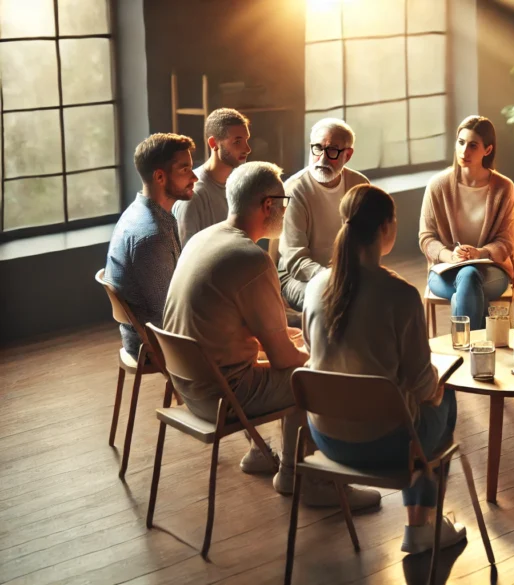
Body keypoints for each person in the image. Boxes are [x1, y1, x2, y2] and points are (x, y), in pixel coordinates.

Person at [162, 161, 380, 510]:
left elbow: (237, 328)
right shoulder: (250, 258)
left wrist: (292, 341)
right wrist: (321, 356)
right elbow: (283, 359)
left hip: (190, 384)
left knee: (295, 353)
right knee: (314, 376)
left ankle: (270, 459)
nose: (285, 207)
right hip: (224, 396)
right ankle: (316, 482)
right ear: (267, 205)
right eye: (284, 200)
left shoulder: (204, 238)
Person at [303, 184, 467, 554]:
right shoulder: (400, 295)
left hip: (326, 437)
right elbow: (421, 383)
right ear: (386, 228)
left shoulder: (315, 287)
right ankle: (419, 527)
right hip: (386, 447)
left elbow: (313, 354)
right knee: (445, 398)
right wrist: (437, 388)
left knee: (414, 404)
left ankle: (421, 523)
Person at [419, 116, 514, 330]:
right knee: (468, 278)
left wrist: (479, 253)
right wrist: (450, 257)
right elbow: (426, 238)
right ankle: (482, 349)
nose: (465, 151)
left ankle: (464, 349)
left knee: (469, 277)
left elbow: (506, 242)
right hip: (444, 271)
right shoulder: (437, 186)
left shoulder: (504, 188)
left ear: (488, 150)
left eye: (473, 145)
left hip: (492, 271)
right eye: (461, 142)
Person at [105, 133, 197, 361]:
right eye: (185, 170)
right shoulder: (151, 236)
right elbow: (168, 315)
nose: (194, 177)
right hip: (154, 345)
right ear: (159, 177)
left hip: (145, 335)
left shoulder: (140, 212)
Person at [278, 118, 369, 311]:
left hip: (346, 274)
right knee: (332, 301)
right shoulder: (293, 190)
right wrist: (333, 277)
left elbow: (366, 240)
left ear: (348, 155)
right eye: (317, 148)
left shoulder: (359, 184)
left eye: (333, 150)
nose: (323, 158)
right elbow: (295, 259)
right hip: (298, 277)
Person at [172, 108, 252, 246]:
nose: (247, 149)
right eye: (237, 142)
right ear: (213, 143)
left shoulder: (241, 187)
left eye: (246, 140)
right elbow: (187, 259)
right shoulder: (193, 195)